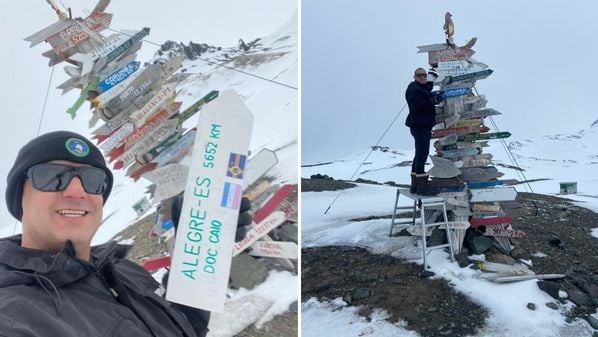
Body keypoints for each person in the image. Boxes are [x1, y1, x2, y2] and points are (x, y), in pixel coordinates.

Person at [0, 130, 215, 337]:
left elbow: (186, 326)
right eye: (52, 176)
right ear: (19, 197)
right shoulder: (11, 316)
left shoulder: (122, 270)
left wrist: (193, 262)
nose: (77, 192)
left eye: (93, 180)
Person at [404, 67, 442, 195]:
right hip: (420, 125)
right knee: (422, 153)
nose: (422, 77)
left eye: (424, 75)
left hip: (420, 125)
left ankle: (415, 185)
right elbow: (417, 106)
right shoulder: (413, 90)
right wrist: (432, 100)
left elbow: (426, 89)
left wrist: (431, 80)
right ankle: (422, 187)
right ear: (414, 77)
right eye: (419, 75)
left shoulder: (418, 87)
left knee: (419, 153)